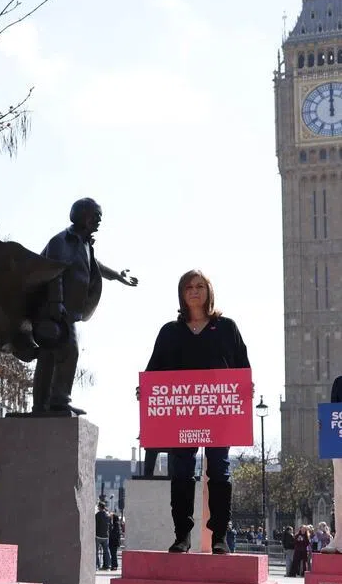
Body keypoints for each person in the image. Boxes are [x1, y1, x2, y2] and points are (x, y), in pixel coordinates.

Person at [145, 269, 250, 554]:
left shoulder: (227, 327)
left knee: (219, 468)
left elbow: (243, 366)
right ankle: (182, 536)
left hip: (219, 412)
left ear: (208, 291)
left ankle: (219, 536)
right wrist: (145, 391)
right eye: (189, 286)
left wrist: (245, 390)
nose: (194, 291)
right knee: (181, 471)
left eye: (200, 286)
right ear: (182, 293)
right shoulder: (170, 331)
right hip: (181, 414)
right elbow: (153, 370)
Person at [31, 198, 138, 415]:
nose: (99, 221)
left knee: (49, 357)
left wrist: (117, 276)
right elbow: (54, 271)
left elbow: (94, 265)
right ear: (82, 215)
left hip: (66, 311)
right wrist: (56, 303)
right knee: (69, 351)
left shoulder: (83, 244)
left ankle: (42, 406)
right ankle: (59, 402)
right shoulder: (62, 241)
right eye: (96, 215)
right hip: (55, 310)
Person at [94, 500, 110, 569]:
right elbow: (110, 525)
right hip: (105, 536)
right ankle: (106, 565)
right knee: (106, 551)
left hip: (98, 536)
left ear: (100, 507)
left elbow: (95, 525)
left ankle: (96, 565)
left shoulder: (97, 515)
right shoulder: (107, 515)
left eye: (98, 507)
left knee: (96, 551)